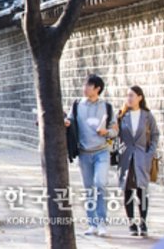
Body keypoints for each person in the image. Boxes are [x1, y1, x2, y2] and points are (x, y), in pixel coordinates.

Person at [64, 74, 117, 237]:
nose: (85, 88)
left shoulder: (106, 107)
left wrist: (106, 132)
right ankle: (92, 224)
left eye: (88, 86)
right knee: (89, 189)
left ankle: (102, 223)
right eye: (85, 85)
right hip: (84, 153)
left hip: (102, 152)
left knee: (100, 184)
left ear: (97, 89)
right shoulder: (77, 105)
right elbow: (70, 121)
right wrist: (67, 123)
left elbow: (115, 130)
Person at [117, 85, 160, 237]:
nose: (129, 98)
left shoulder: (147, 116)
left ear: (140, 97)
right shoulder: (122, 115)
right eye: (127, 95)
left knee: (142, 190)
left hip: (142, 157)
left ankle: (143, 222)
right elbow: (115, 134)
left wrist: (150, 153)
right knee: (128, 190)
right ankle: (131, 223)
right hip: (126, 157)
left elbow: (155, 134)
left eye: (132, 95)